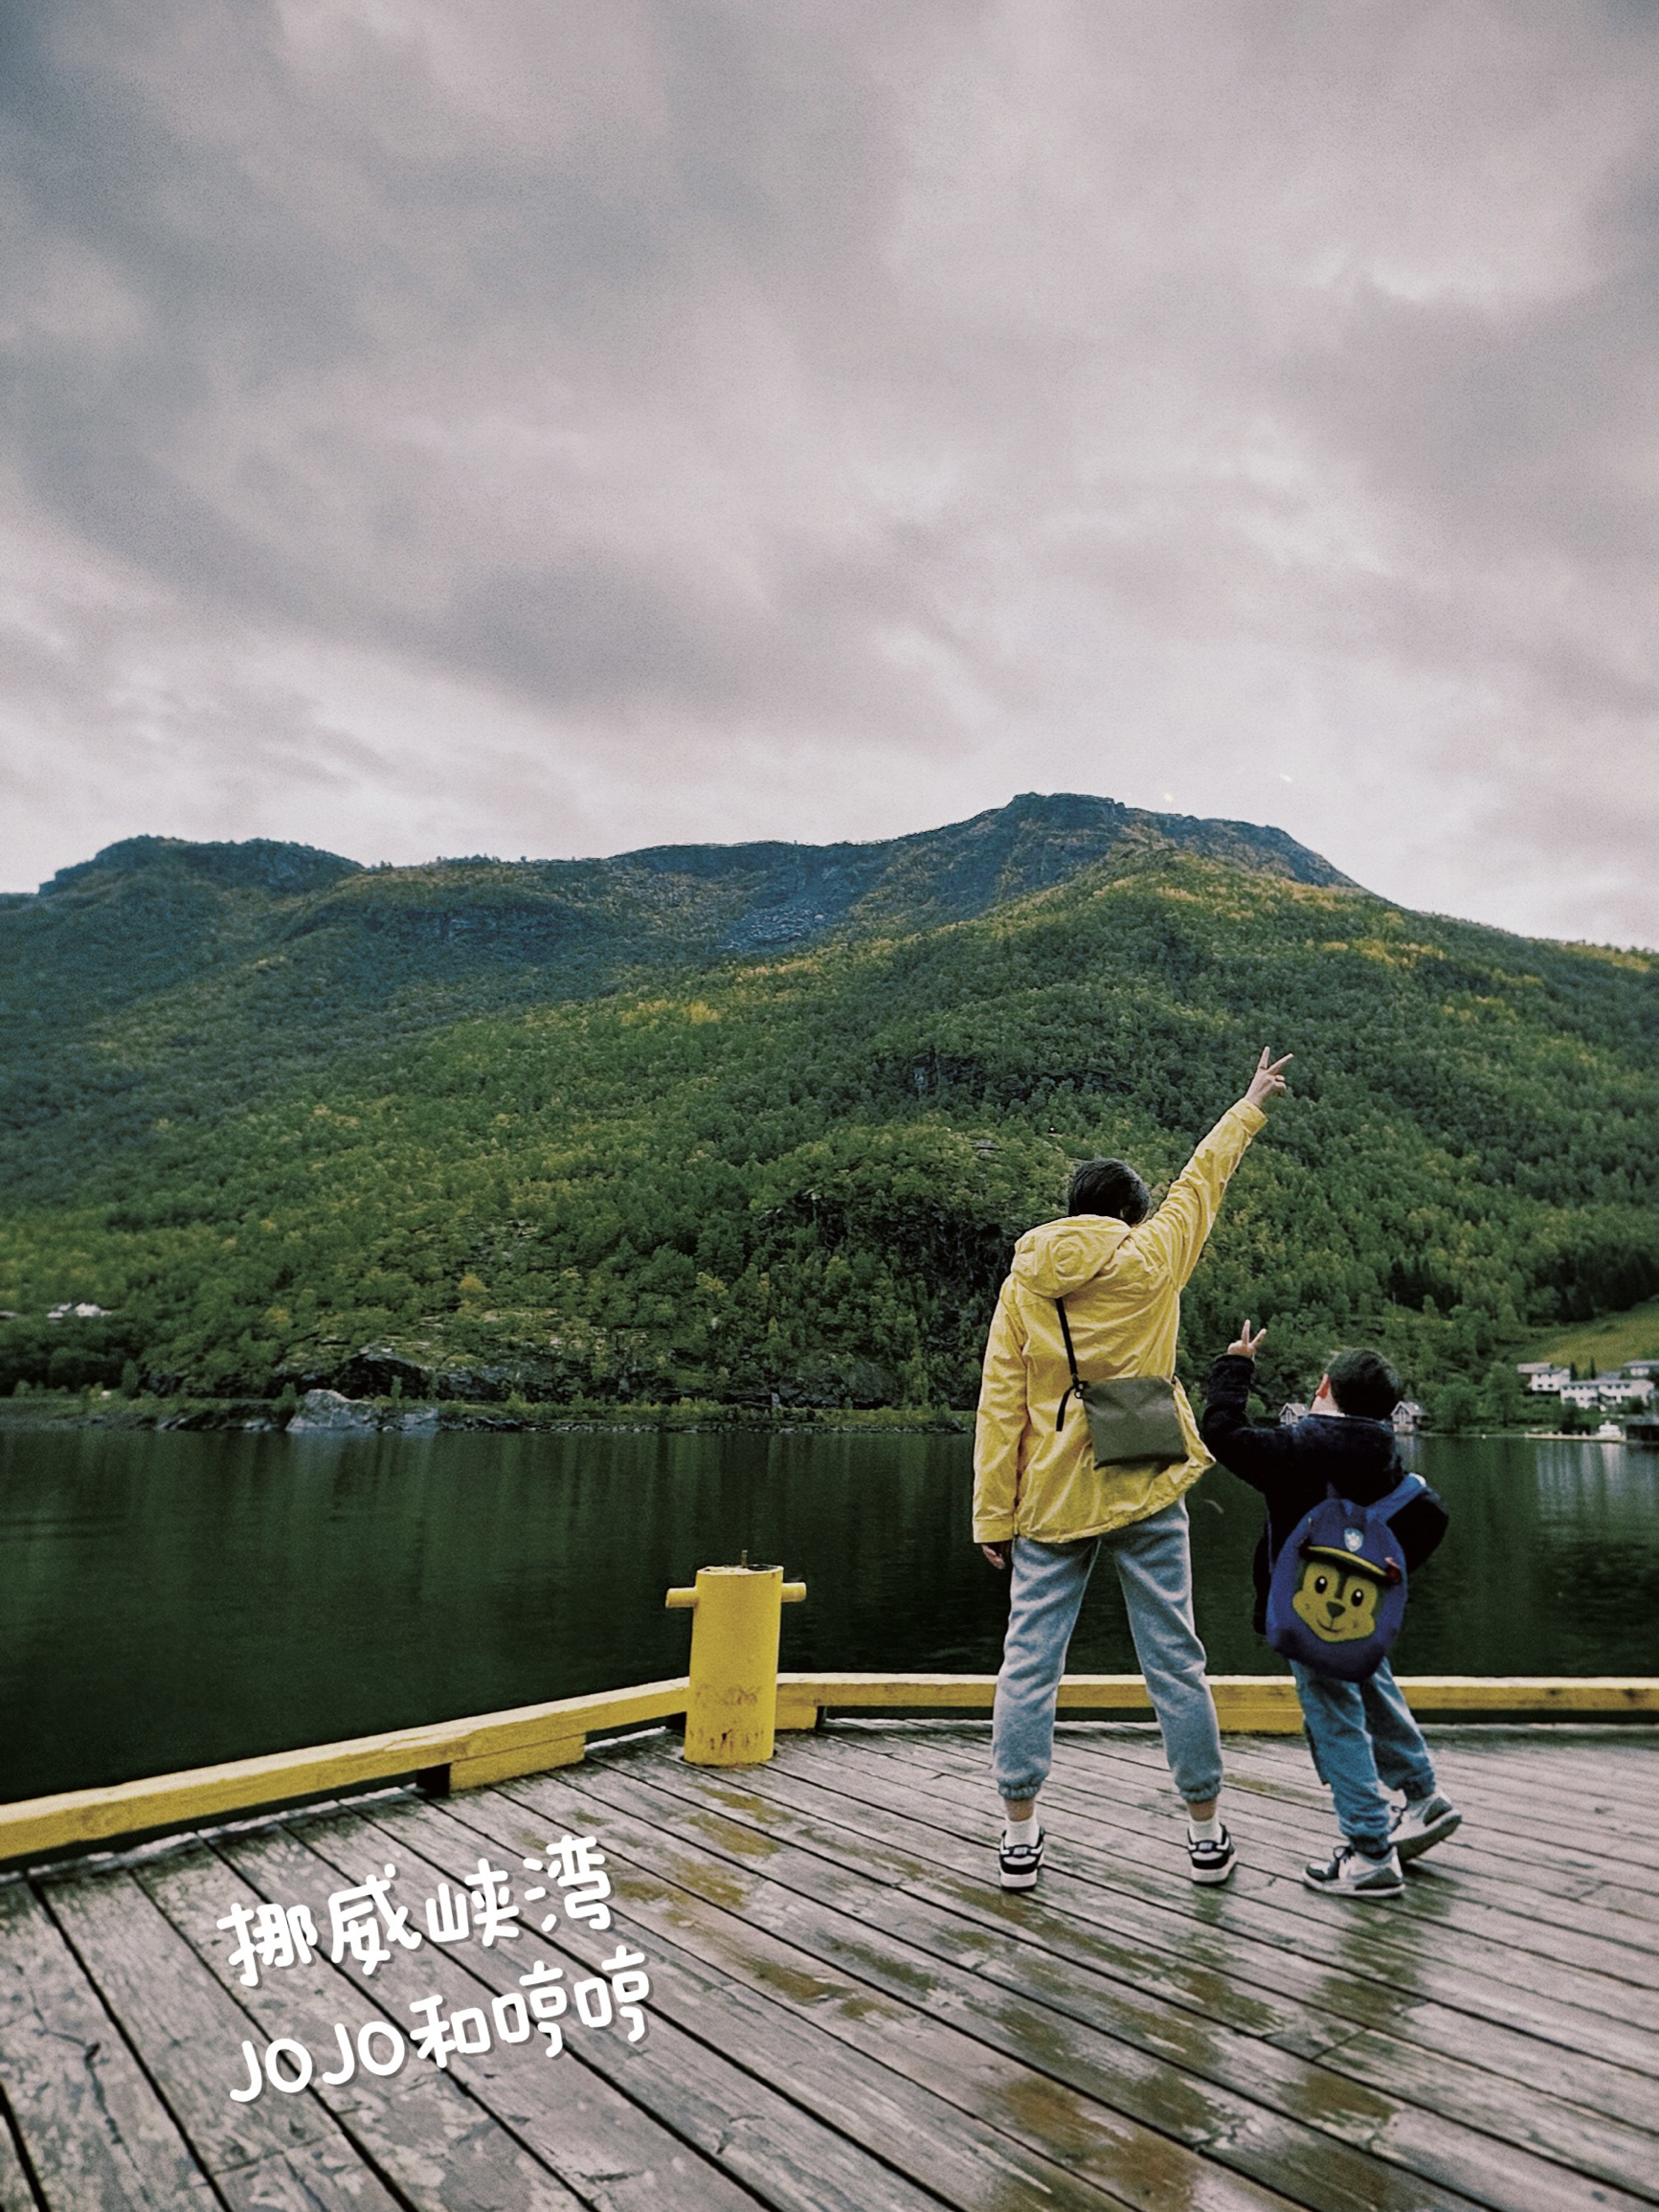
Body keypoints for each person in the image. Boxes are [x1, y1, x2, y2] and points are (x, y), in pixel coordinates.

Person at [974, 1047, 1291, 1893]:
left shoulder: (1023, 1286)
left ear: (1072, 1209)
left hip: (1046, 1495)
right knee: (1175, 1660)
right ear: (1126, 1211)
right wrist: (1249, 1101)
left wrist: (988, 1517)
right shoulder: (1153, 1259)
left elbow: (1000, 1406)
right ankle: (1204, 1831)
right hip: (1146, 1473)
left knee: (1028, 1661)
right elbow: (1204, 1178)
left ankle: (1017, 1834)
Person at [1200, 1326, 1459, 1900]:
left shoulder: (1294, 1450)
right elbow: (1429, 1520)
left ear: (1323, 1389)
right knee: (1372, 1684)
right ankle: (1423, 1796)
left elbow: (1221, 1431)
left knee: (1335, 1719)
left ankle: (1369, 1853)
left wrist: (1235, 1365)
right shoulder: (1385, 1456)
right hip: (1360, 1618)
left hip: (1306, 1616)